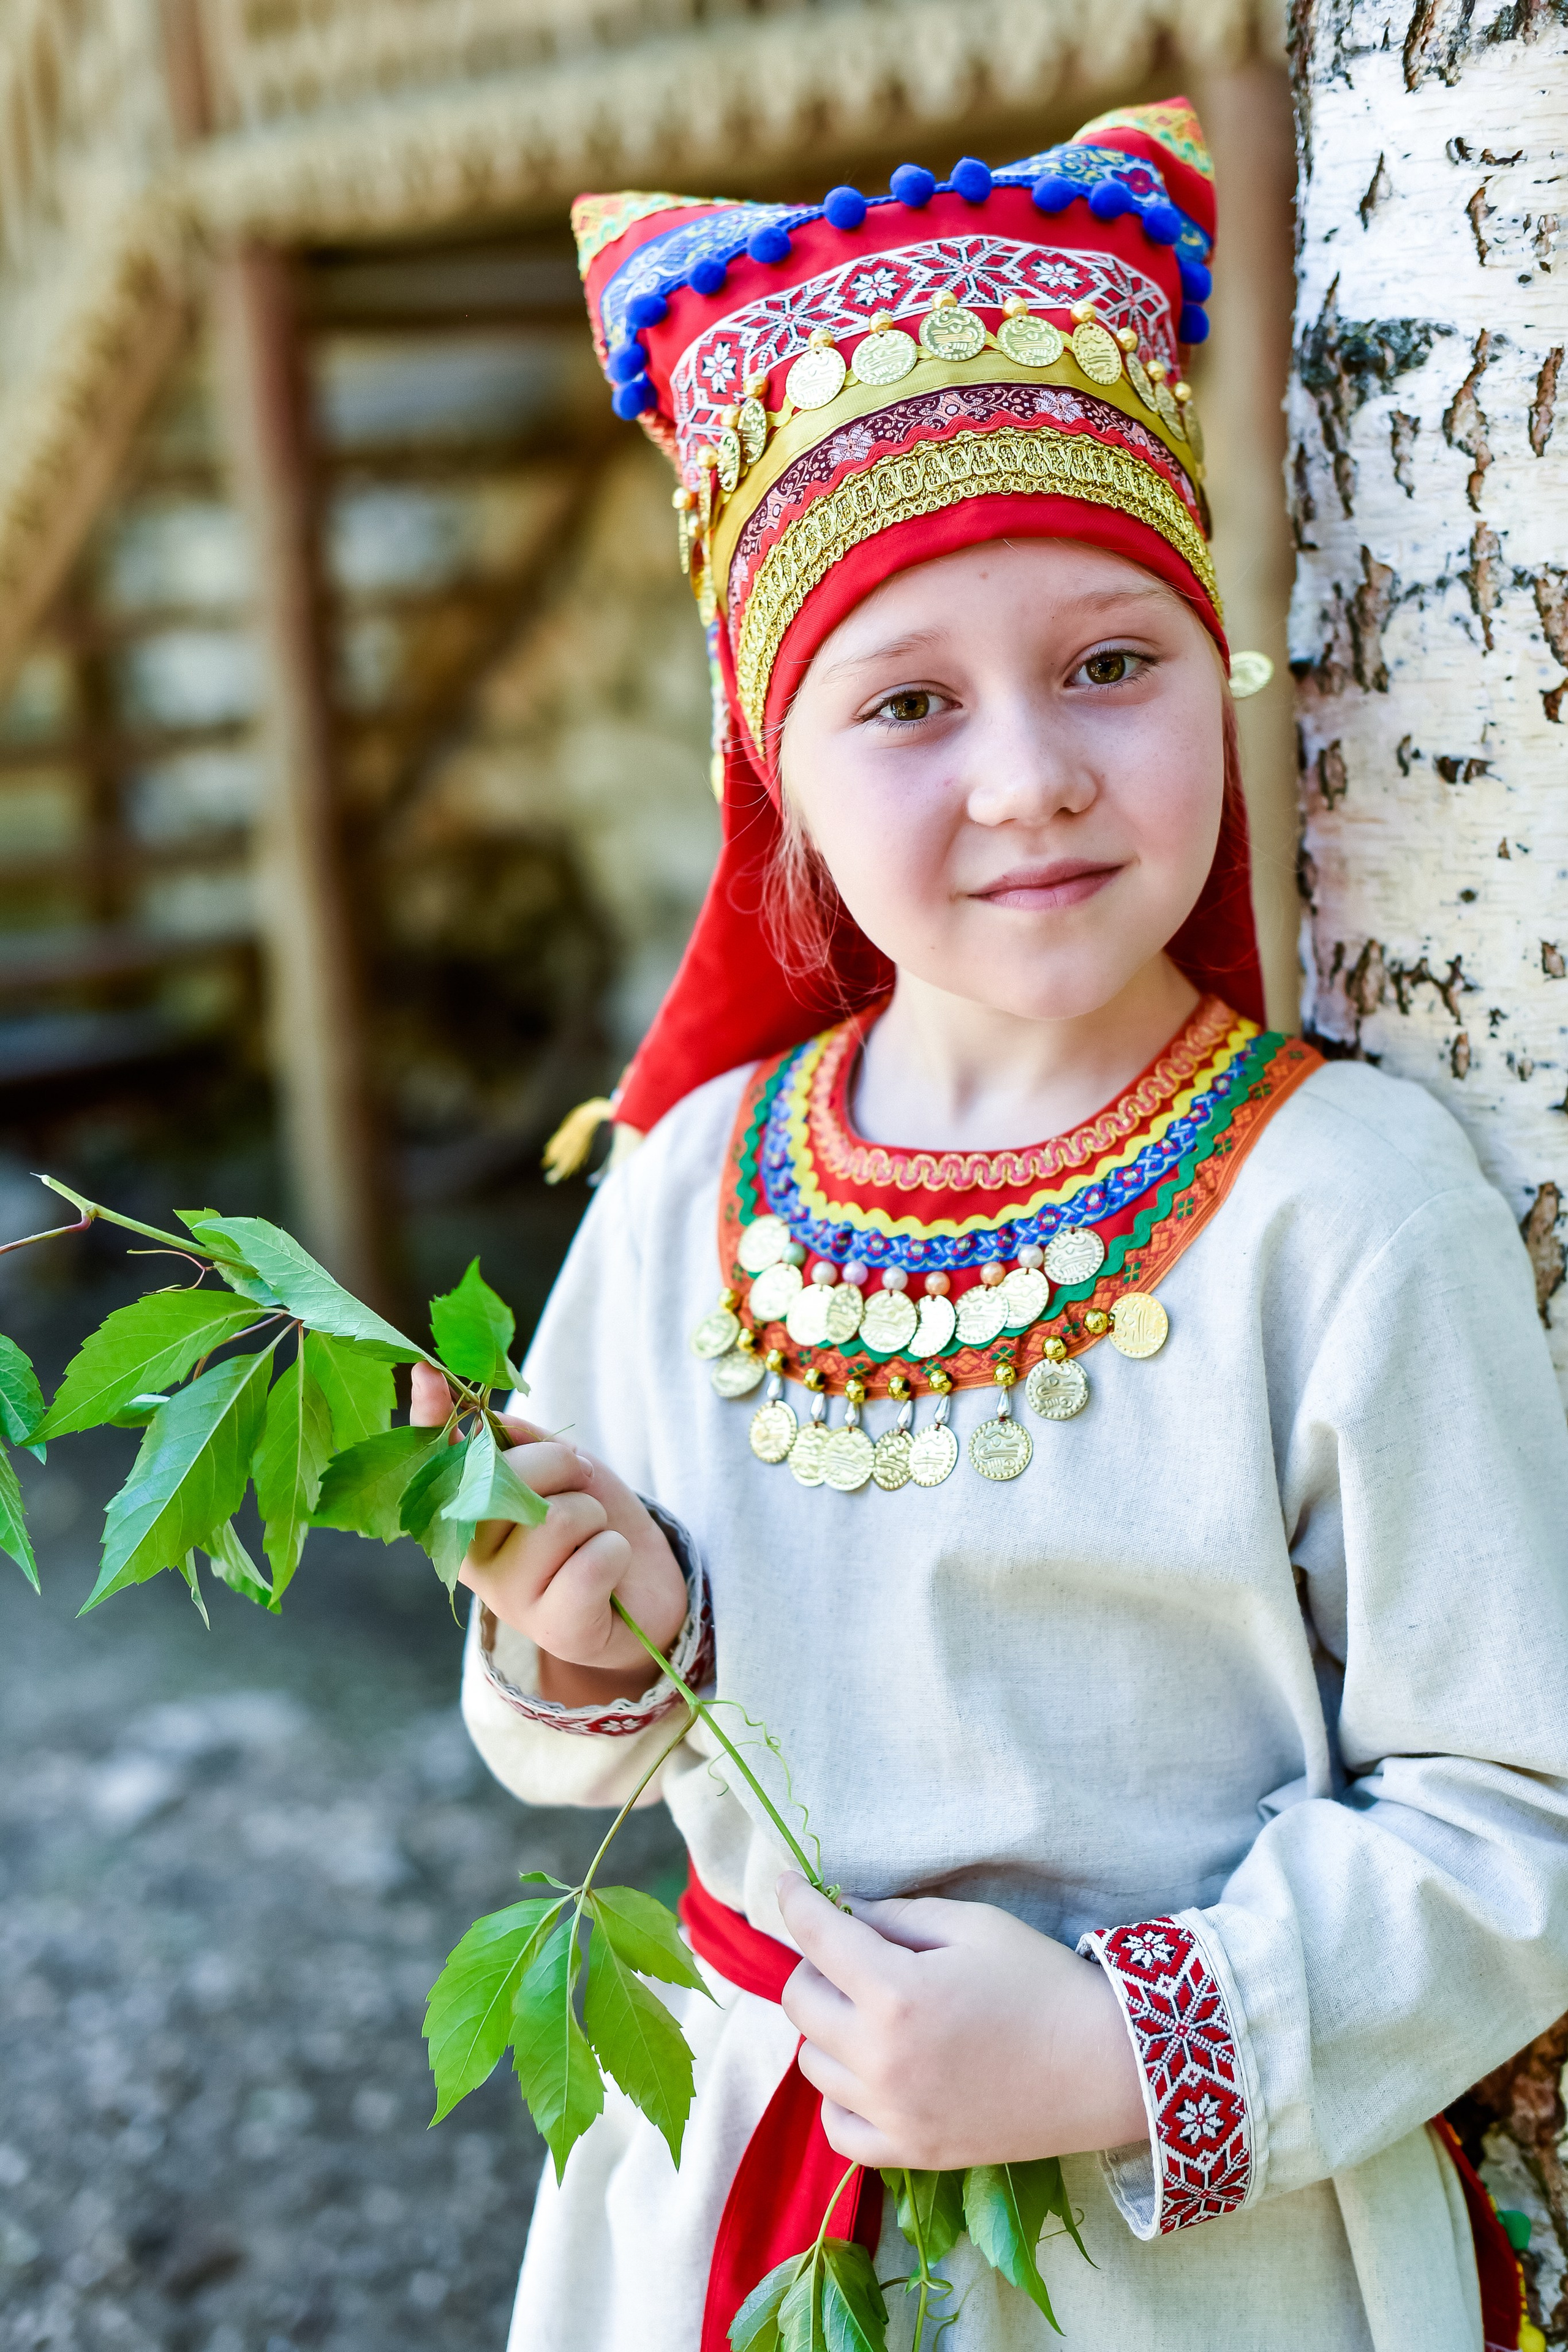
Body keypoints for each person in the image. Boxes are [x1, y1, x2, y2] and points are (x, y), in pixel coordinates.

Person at [412, 101, 1568, 2352]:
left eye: (1112, 664)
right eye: (911, 703)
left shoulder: (1338, 1208)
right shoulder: (682, 1192)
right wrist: (592, 1634)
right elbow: (599, 1712)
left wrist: (1124, 2047)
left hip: (1201, 2259)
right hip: (728, 2211)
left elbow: (1520, 1809)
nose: (1029, 771)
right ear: (781, 773)